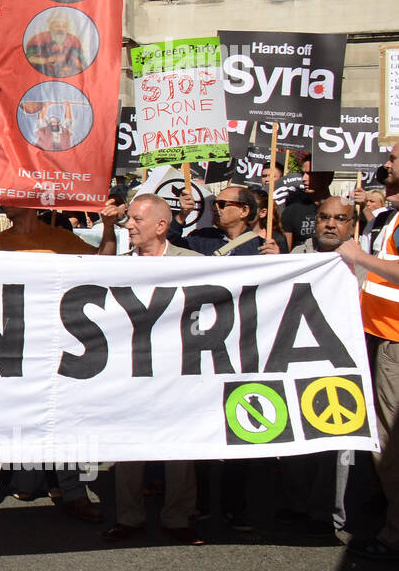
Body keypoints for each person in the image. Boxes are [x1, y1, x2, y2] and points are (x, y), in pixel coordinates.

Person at [0, 204, 110, 523]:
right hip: (7, 342)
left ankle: (74, 492)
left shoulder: (60, 239)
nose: (2, 201)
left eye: (9, 195)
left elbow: (105, 265)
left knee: (63, 414)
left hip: (56, 343)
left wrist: (109, 226)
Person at [97, 194, 203, 545]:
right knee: (129, 445)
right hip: (131, 368)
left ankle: (178, 518)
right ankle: (129, 517)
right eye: (129, 219)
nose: (130, 225)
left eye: (137, 220)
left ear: (161, 225)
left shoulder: (192, 263)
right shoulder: (121, 265)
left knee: (179, 447)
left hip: (178, 369)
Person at [171, 183, 268, 530]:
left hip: (242, 345)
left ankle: (235, 506)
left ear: (245, 210)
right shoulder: (203, 238)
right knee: (201, 424)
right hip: (201, 342)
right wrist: (181, 218)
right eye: (215, 202)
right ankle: (198, 502)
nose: (216, 208)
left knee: (238, 424)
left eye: (224, 204)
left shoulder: (265, 247)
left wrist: (277, 261)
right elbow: (173, 250)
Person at [277, 196, 358, 537]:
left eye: (340, 218)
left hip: (342, 364)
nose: (330, 224)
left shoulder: (362, 261)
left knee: (337, 443)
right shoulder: (297, 257)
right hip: (297, 360)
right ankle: (297, 504)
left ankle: (327, 515)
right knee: (297, 433)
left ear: (352, 225)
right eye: (324, 217)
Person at [334, 141, 399, 560]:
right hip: (382, 336)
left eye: (394, 158)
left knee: (391, 441)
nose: (386, 163)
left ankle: (394, 534)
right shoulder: (391, 216)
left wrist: (360, 256)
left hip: (395, 341)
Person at [24, 11, 87, 78]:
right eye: (57, 26)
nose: (60, 29)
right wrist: (47, 60)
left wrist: (72, 63)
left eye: (64, 26)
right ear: (50, 26)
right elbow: (29, 58)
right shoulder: (40, 38)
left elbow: (83, 64)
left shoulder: (74, 41)